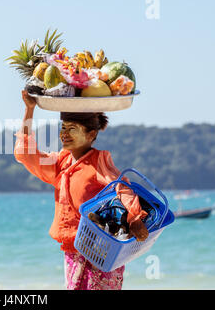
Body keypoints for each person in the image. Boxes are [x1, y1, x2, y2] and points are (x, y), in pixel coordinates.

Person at [14, 90, 149, 290]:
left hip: (103, 252)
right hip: (73, 251)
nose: (64, 134)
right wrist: (29, 109)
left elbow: (122, 187)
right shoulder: (61, 162)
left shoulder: (99, 162)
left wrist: (135, 217)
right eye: (63, 128)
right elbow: (25, 153)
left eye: (72, 128)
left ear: (91, 134)